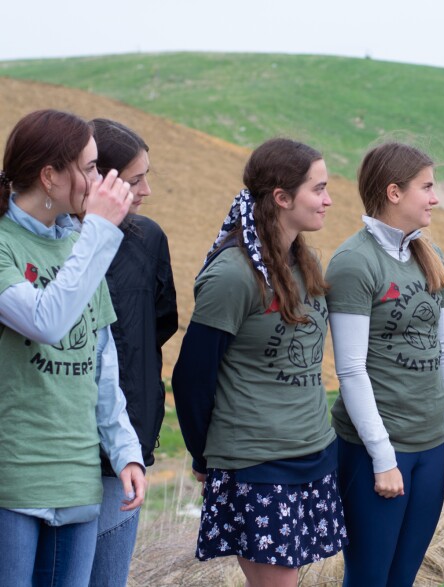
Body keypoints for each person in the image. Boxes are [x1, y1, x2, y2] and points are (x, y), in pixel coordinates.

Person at [172, 138, 345, 587]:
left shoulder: (305, 262)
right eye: (318, 189)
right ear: (282, 198)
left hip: (313, 450)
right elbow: (191, 377)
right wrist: (203, 456)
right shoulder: (233, 274)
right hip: (258, 462)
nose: (328, 200)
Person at [0, 109, 146, 586]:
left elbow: (102, 367)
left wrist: (125, 449)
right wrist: (98, 232)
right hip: (15, 482)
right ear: (49, 176)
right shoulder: (5, 245)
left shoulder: (79, 246)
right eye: (88, 167)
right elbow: (47, 321)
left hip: (78, 478)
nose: (97, 180)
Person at [325, 141, 444, 586]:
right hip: (376, 449)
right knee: (369, 578)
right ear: (393, 192)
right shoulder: (354, 262)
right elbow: (349, 370)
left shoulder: (429, 255)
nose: (435, 197)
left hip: (430, 447)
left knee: (403, 576)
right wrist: (383, 457)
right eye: (426, 187)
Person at [87, 118, 178, 587]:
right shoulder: (64, 244)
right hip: (72, 449)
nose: (144, 191)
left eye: (147, 177)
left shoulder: (148, 240)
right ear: (98, 178)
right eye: (135, 178)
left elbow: (162, 323)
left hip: (129, 446)